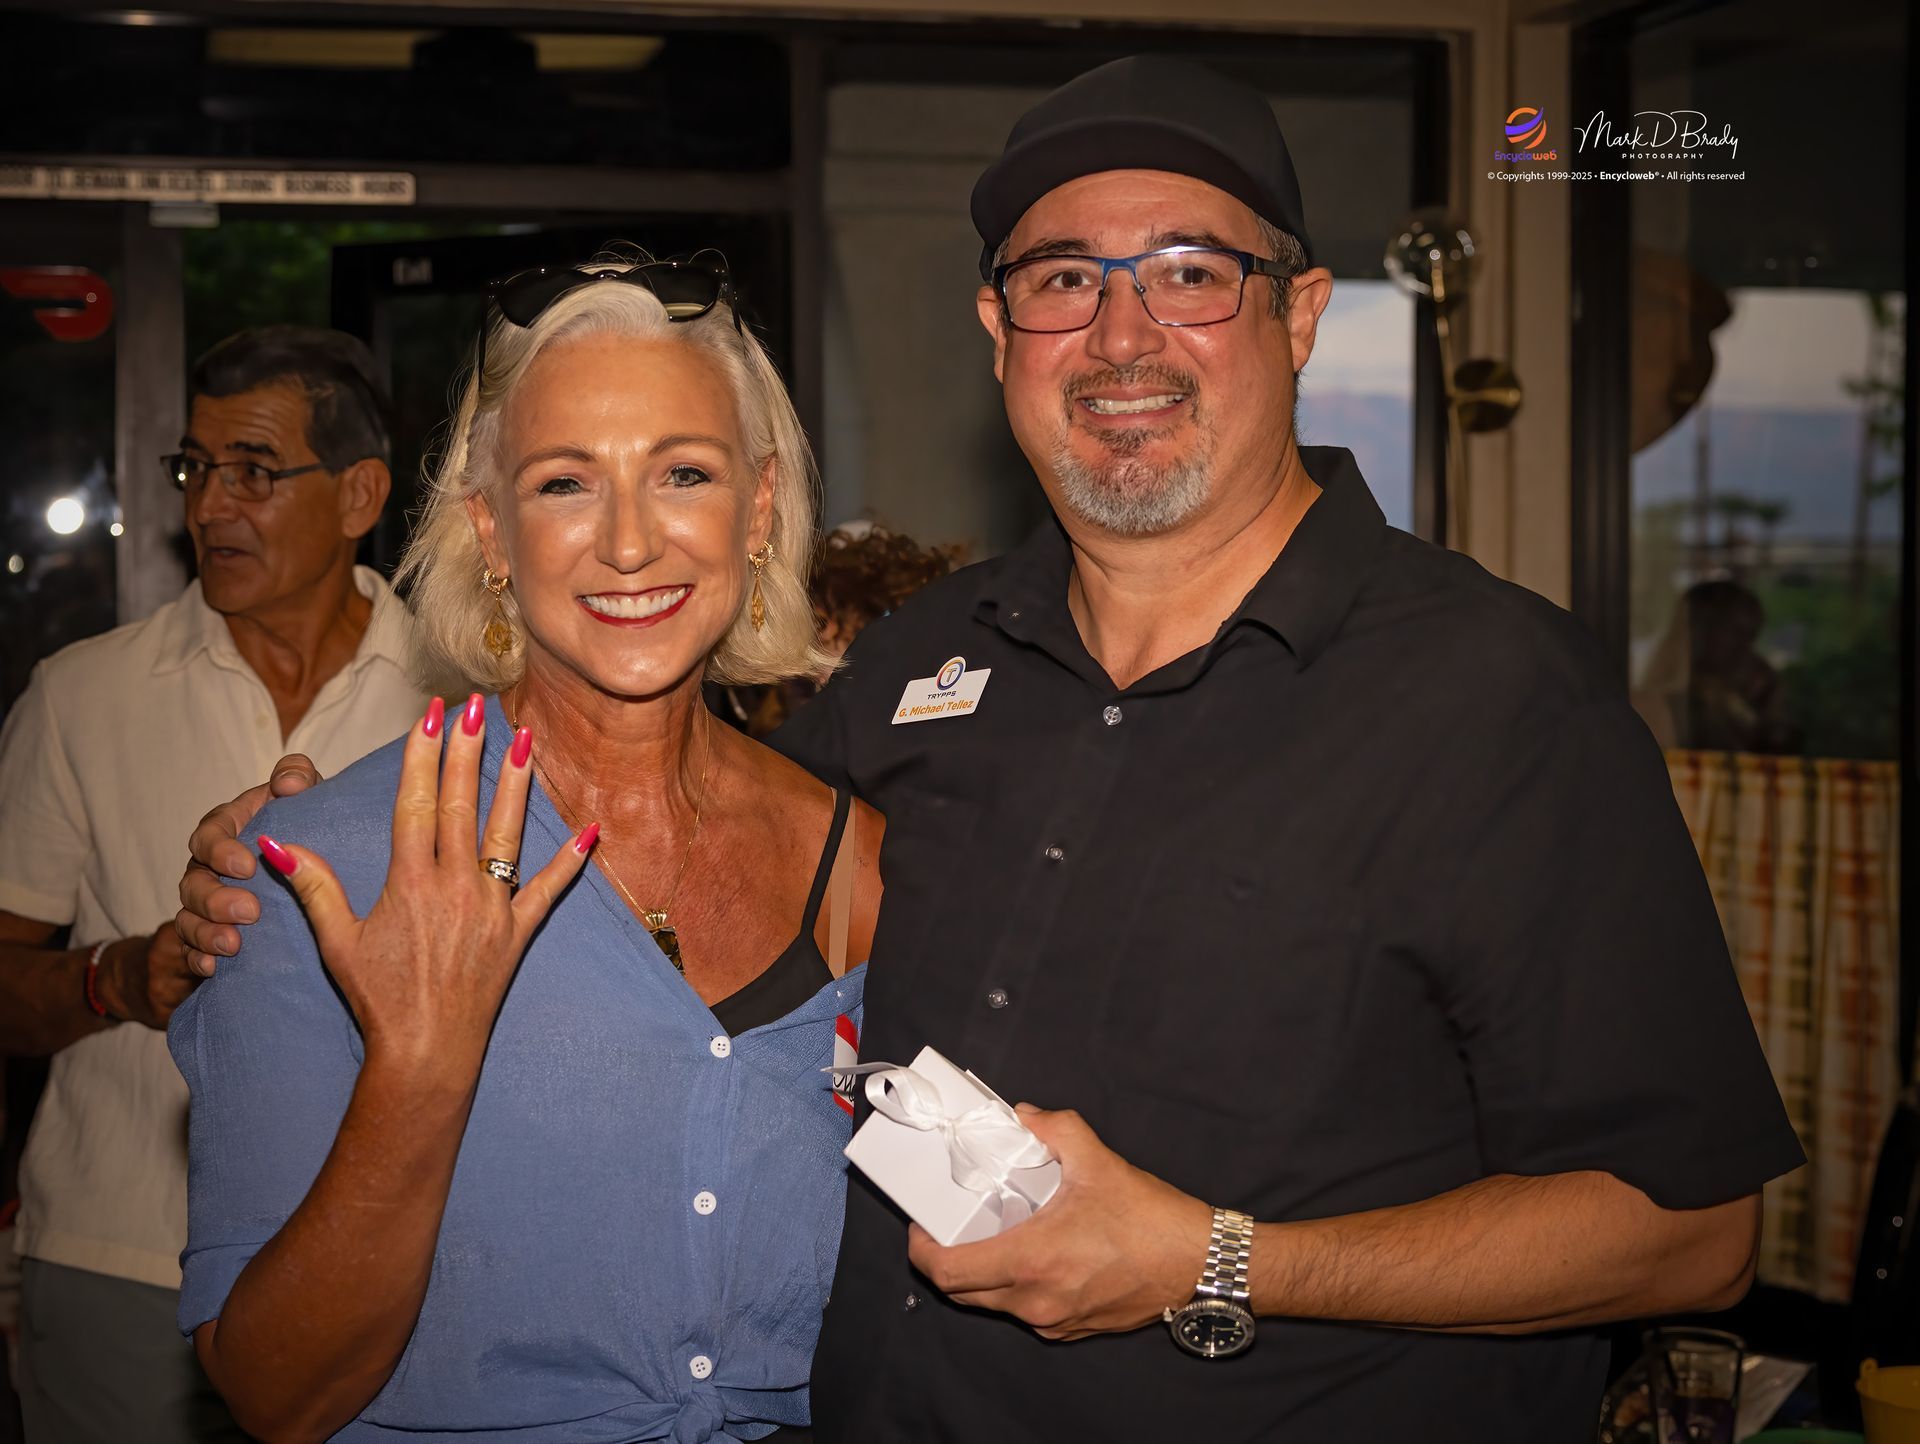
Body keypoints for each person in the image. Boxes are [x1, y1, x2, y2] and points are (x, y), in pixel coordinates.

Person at [178, 59, 1805, 1444]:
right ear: (996, 327)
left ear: (1301, 310)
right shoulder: (919, 667)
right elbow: (674, 839)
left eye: (1192, 271)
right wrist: (279, 858)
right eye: (1063, 279)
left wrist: (1218, 1255)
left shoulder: (1497, 697)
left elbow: (1691, 1228)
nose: (1122, 334)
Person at [165, 257, 882, 1443]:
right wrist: (421, 1066)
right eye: (565, 484)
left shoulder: (857, 859)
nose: (632, 542)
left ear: (757, 512)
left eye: (684, 474)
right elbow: (276, 1391)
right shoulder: (313, 868)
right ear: (491, 530)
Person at [0, 325, 422, 1443]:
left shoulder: (464, 699)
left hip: (405, 1267)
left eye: (254, 469)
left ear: (359, 492)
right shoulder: (83, 694)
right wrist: (119, 979)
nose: (211, 507)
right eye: (195, 468)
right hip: (119, 1259)